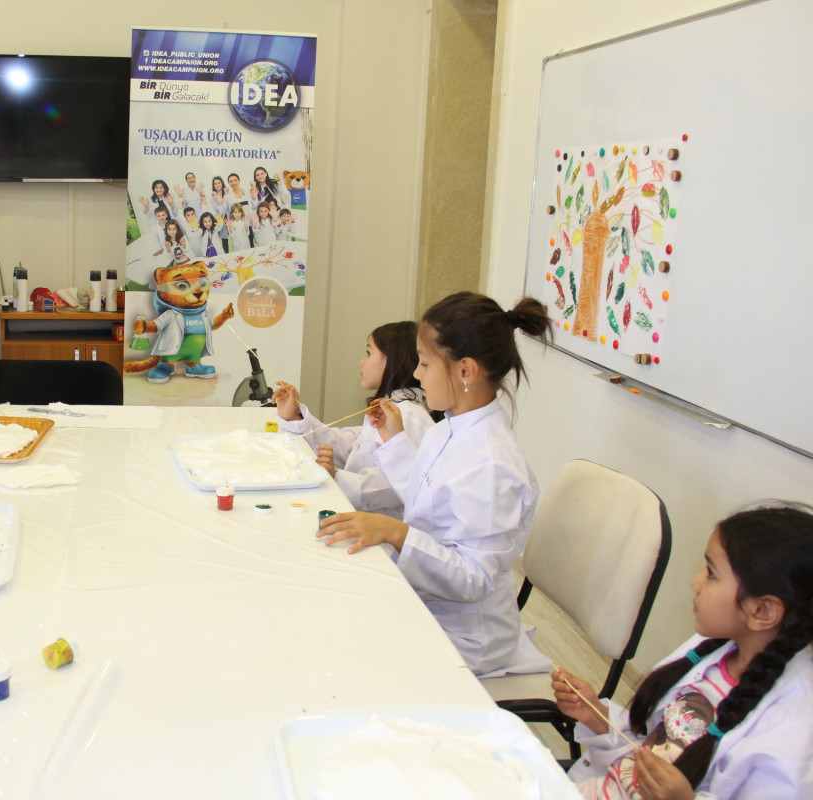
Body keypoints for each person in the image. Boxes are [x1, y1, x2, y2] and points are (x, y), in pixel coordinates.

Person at [317, 292, 552, 676]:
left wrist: (396, 532)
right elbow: (428, 494)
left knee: (337, 651)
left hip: (464, 638)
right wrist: (394, 441)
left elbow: (473, 578)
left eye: (425, 363)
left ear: (466, 371)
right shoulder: (451, 427)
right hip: (428, 601)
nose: (417, 374)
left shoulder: (493, 463)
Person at [555, 503, 813, 799]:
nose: (695, 582)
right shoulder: (711, 649)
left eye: (711, 574)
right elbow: (649, 743)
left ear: (762, 611)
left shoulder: (793, 732)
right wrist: (597, 716)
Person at [275, 321, 433, 520]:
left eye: (369, 353)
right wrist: (296, 416)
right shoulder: (393, 407)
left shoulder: (408, 415)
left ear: (394, 360)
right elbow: (350, 446)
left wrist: (337, 477)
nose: (362, 362)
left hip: (382, 529)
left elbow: (395, 485)